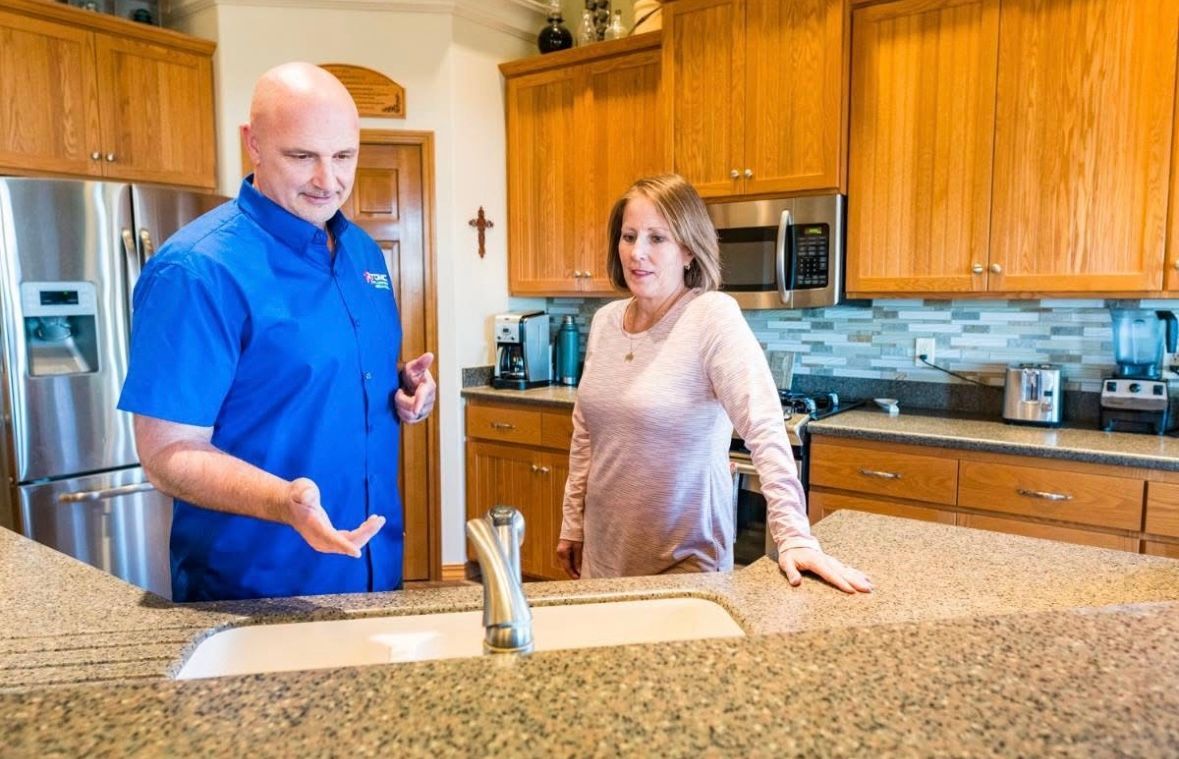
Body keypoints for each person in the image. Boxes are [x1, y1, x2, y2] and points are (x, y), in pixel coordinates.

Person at [118, 63, 436, 602]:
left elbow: (323, 376)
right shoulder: (196, 270)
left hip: (375, 576)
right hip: (257, 588)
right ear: (254, 144)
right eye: (302, 156)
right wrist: (279, 500)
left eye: (343, 156)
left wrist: (404, 393)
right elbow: (167, 453)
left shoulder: (361, 251)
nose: (328, 180)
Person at [556, 175, 871, 593]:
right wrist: (572, 522)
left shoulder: (710, 316)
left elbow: (764, 427)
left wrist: (794, 535)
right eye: (629, 236)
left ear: (688, 250)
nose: (638, 253)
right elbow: (585, 434)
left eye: (657, 238)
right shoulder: (605, 321)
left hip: (684, 562)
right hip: (604, 554)